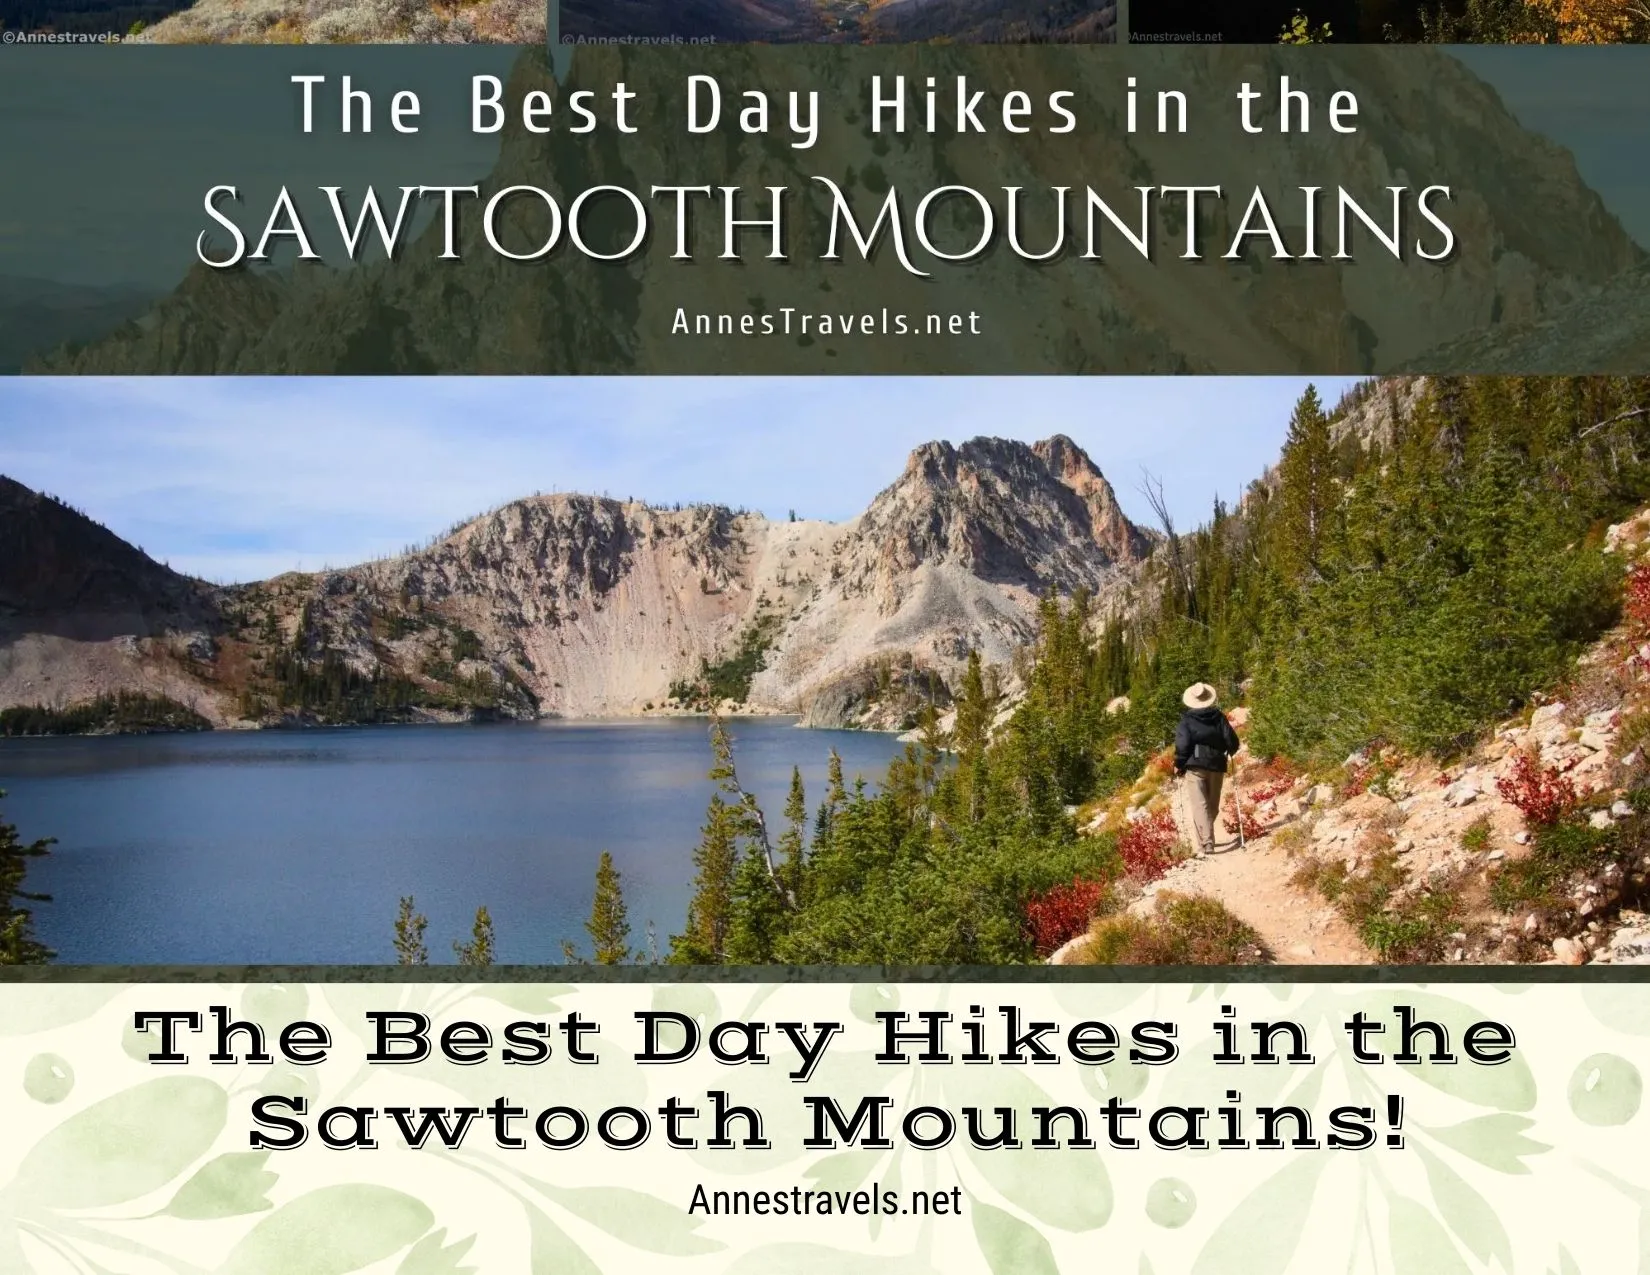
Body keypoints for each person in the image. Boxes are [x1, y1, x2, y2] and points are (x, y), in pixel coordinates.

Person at [1174, 682, 1242, 855]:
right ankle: (1206, 841)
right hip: (1217, 764)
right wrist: (1230, 750)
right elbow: (1231, 740)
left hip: (1195, 765)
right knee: (1212, 805)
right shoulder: (1219, 717)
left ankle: (1206, 844)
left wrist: (1179, 763)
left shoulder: (1187, 720)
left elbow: (1183, 745)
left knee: (1200, 805)